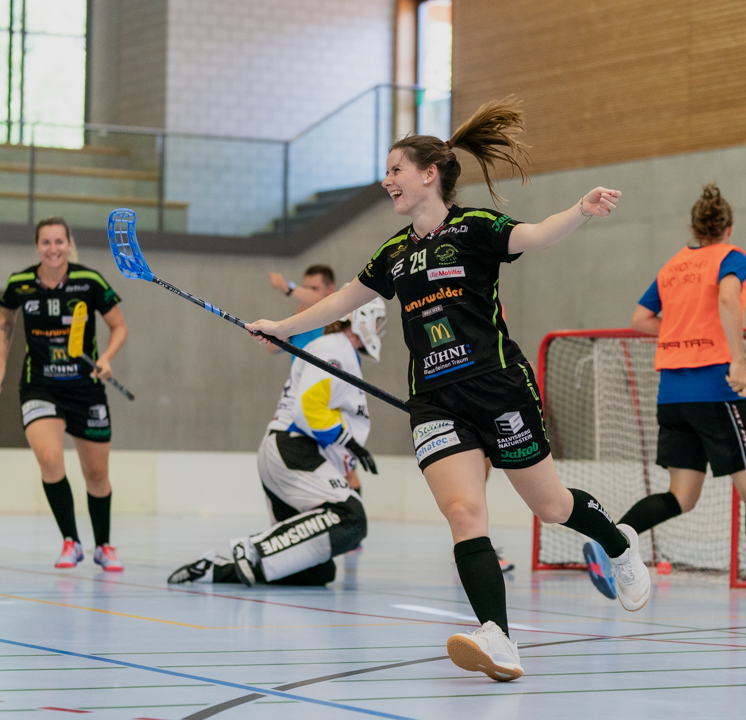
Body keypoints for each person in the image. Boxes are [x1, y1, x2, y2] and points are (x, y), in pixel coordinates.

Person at [246, 97, 650, 683]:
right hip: (434, 400)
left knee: (551, 506)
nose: (387, 182)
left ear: (428, 174)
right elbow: (343, 300)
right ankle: (500, 638)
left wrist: (581, 210)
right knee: (464, 511)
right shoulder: (394, 253)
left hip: (499, 388)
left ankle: (618, 546)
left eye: (395, 170)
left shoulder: (475, 228)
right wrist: (283, 328)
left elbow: (534, 236)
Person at [583, 184, 746, 612]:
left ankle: (612, 541)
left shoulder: (674, 265)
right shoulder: (731, 256)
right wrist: (739, 362)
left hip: (673, 396)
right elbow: (728, 296)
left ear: (693, 227)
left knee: (681, 496)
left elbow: (640, 319)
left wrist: (682, 334)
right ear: (728, 227)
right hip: (717, 392)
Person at [167, 298, 387, 587]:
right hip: (293, 450)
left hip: (290, 454)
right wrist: (350, 442)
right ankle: (251, 548)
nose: (380, 329)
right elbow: (309, 407)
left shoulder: (338, 349)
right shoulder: (335, 348)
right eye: (378, 321)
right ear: (363, 318)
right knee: (352, 518)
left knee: (317, 571)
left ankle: (215, 568)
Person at [0, 217, 129, 572]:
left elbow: (119, 326)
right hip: (40, 385)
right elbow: (6, 319)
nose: (53, 249)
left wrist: (107, 359)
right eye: (46, 242)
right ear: (37, 246)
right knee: (49, 458)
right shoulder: (20, 283)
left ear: (69, 244)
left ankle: (104, 545)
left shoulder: (89, 280)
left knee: (96, 473)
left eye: (59, 242)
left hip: (85, 388)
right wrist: (0, 366)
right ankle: (71, 541)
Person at [264, 265, 336, 356]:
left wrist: (287, 287)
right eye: (305, 288)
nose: (307, 293)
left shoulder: (342, 315)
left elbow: (318, 301)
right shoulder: (298, 316)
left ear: (330, 289)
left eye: (314, 289)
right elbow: (272, 348)